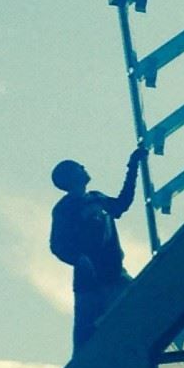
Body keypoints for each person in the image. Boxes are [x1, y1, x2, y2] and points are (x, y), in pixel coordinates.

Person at [50, 147, 144, 351]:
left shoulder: (96, 198)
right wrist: (78, 258)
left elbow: (122, 204)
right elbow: (57, 245)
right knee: (85, 341)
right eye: (78, 167)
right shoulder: (65, 209)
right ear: (70, 177)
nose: (83, 167)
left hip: (114, 273)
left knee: (138, 304)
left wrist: (133, 166)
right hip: (91, 281)